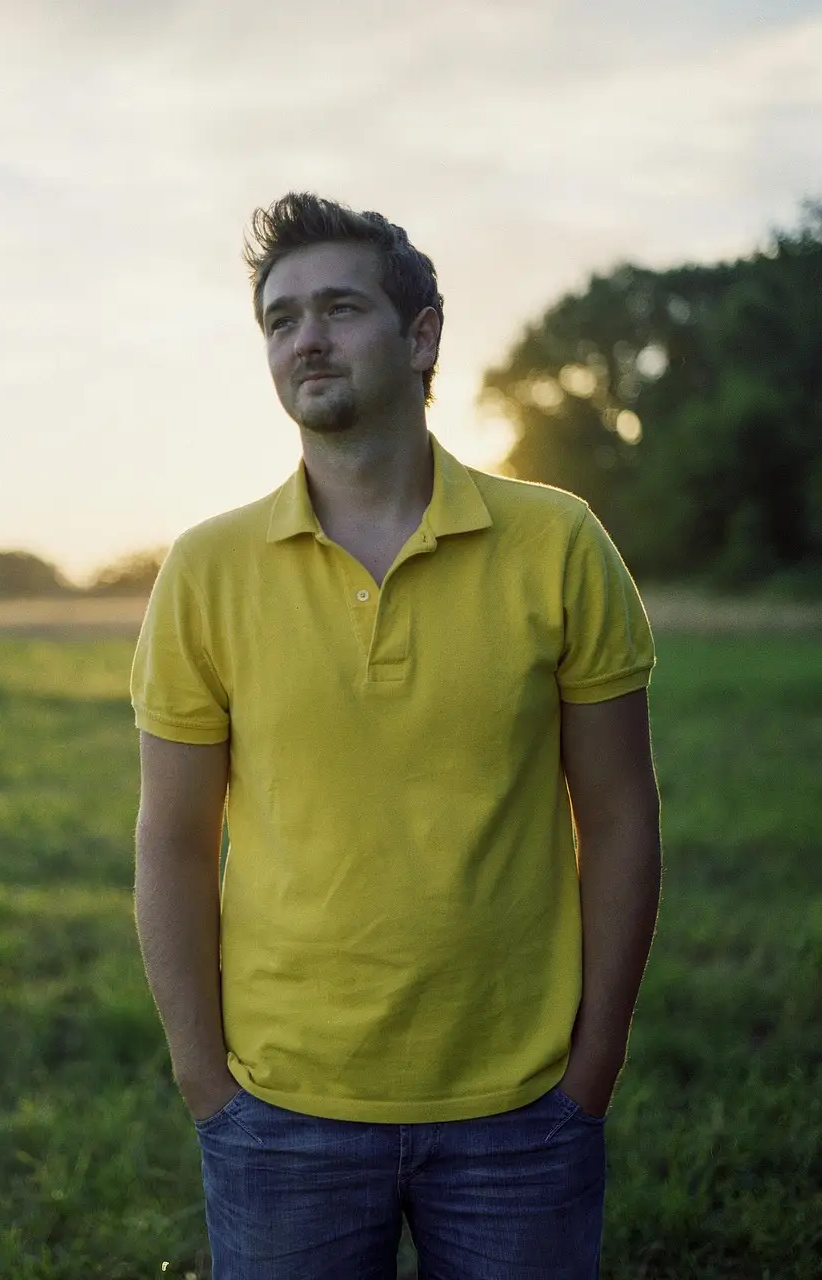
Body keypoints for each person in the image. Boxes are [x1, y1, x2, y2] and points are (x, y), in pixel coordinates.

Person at [130, 192, 662, 1279]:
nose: (304, 339)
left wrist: (591, 1063)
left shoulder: (556, 542)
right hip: (280, 1109)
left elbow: (617, 817)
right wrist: (204, 1079)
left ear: (420, 335)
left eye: (336, 307)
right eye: (279, 320)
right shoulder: (204, 568)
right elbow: (172, 839)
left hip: (520, 1106)